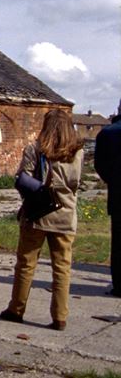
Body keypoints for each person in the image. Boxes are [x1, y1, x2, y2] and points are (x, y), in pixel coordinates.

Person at [0, 108, 84, 330]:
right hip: (65, 216)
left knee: (26, 264)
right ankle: (60, 317)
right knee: (62, 268)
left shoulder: (34, 150)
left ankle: (16, 309)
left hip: (37, 215)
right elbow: (75, 183)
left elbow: (23, 180)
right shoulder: (78, 152)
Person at [94, 101, 121, 297]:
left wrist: (113, 180)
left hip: (118, 196)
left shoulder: (107, 134)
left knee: (119, 243)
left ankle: (119, 286)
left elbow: (100, 166)